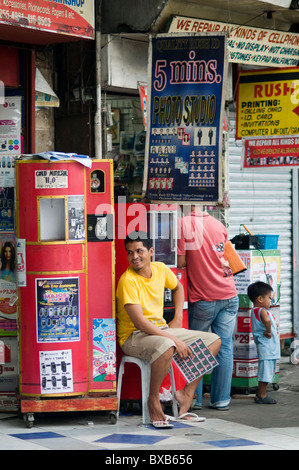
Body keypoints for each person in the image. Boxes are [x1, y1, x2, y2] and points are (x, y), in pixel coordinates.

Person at [116, 231, 221, 428]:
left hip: (160, 331)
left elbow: (178, 288)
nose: (134, 257)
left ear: (151, 251)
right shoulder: (127, 281)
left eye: (139, 251)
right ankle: (153, 401)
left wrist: (178, 317)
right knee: (166, 345)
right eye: (130, 253)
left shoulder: (161, 269)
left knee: (214, 341)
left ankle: (186, 394)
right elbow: (139, 323)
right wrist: (175, 340)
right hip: (134, 336)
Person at [177, 205, 239, 410]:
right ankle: (221, 399)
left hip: (204, 298)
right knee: (225, 346)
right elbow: (227, 258)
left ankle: (193, 399)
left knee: (196, 347)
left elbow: (181, 262)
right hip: (230, 295)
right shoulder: (218, 224)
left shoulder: (183, 224)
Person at [247, 281, 280, 404]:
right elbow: (266, 320)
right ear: (260, 299)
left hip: (268, 347)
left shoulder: (255, 311)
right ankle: (262, 395)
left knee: (266, 370)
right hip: (267, 347)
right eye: (269, 298)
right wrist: (268, 330)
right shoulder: (261, 311)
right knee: (265, 371)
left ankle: (261, 394)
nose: (270, 300)